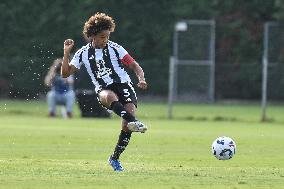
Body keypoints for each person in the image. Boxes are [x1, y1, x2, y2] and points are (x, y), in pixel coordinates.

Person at [61, 12, 148, 171]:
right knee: (108, 96)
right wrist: (66, 52)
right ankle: (133, 121)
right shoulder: (82, 53)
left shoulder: (116, 49)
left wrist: (141, 78)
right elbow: (65, 73)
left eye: (107, 36)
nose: (105, 40)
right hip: (103, 89)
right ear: (92, 35)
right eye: (102, 36)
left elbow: (134, 65)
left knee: (126, 125)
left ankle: (114, 158)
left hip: (124, 86)